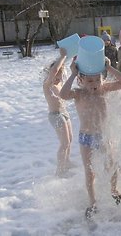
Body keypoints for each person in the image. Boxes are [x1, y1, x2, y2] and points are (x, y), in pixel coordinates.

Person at [60, 57, 121, 219]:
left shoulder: (104, 89)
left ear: (102, 79)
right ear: (81, 80)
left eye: (97, 80)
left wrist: (110, 68)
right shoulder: (78, 94)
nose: (93, 84)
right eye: (89, 81)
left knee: (111, 165)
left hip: (103, 135)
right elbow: (63, 94)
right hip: (86, 137)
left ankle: (114, 190)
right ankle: (92, 202)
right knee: (89, 171)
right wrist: (72, 74)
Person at [43, 48, 73, 177]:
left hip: (64, 113)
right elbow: (54, 70)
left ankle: (66, 162)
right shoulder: (47, 84)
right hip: (55, 115)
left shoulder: (60, 84)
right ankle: (60, 170)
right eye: (54, 75)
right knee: (64, 143)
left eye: (59, 75)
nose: (56, 77)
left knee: (70, 140)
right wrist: (62, 57)